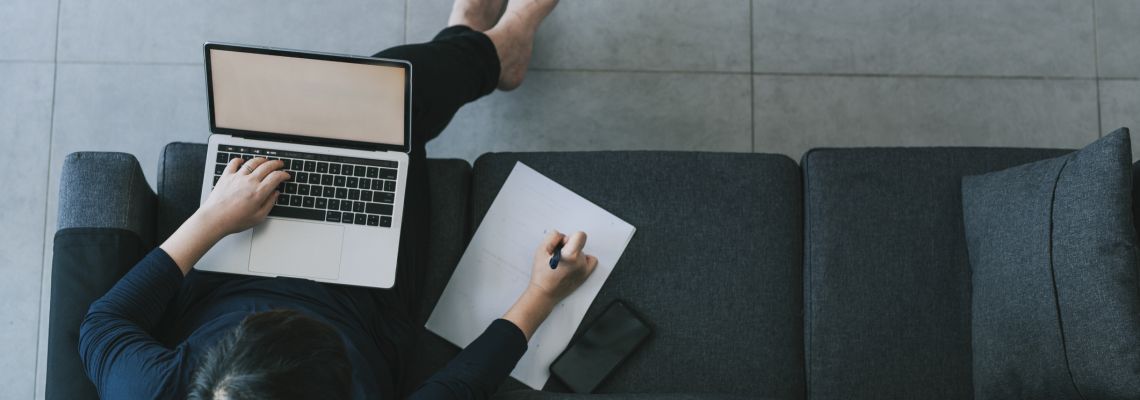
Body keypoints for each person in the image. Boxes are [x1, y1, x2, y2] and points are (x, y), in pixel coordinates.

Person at [77, 0, 600, 398]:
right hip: (368, 302)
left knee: (348, 101)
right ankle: (490, 47)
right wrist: (543, 293)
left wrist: (212, 218)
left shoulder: (151, 387)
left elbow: (101, 327)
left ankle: (473, 42)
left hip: (230, 257)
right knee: (381, 110)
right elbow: (461, 384)